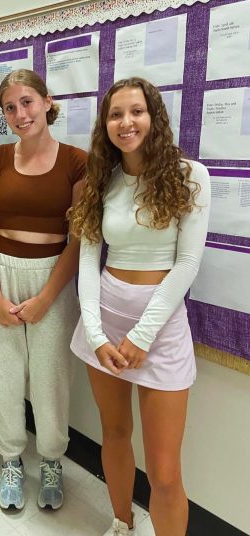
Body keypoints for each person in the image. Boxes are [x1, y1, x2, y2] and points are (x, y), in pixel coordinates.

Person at [70, 77, 210, 536]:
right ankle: (122, 522)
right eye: (115, 114)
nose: (125, 122)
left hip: (161, 329)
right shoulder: (101, 181)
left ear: (155, 117)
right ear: (104, 124)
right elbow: (88, 261)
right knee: (114, 435)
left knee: (166, 471)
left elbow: (187, 264)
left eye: (136, 111)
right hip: (105, 321)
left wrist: (142, 336)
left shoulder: (190, 176)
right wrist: (95, 335)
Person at [0, 69, 86, 511]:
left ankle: (52, 459)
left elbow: (79, 237)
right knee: (2, 374)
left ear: (46, 102)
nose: (20, 114)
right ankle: (11, 459)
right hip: (1, 273)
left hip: (53, 277)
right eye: (9, 107)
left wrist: (46, 297)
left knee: (50, 376)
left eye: (27, 102)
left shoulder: (77, 161)